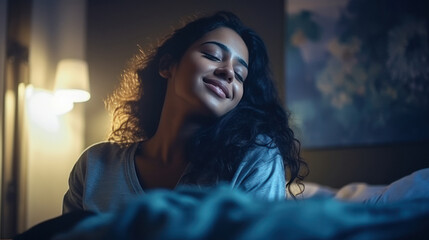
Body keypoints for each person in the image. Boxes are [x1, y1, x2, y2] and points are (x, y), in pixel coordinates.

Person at [62, 11, 308, 214]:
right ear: (167, 65)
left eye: (240, 75)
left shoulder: (256, 159)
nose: (229, 73)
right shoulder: (94, 166)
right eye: (212, 55)